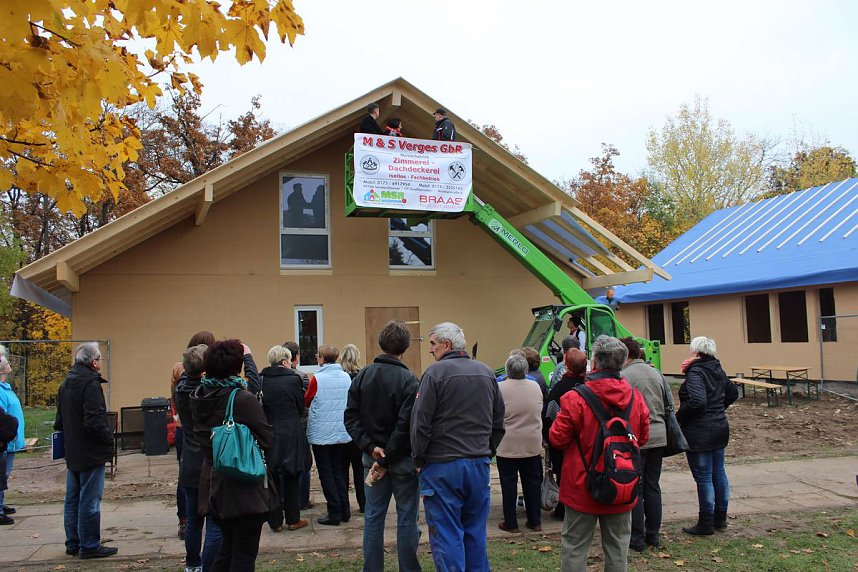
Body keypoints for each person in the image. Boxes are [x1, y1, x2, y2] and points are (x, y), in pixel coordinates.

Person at [549, 335, 650, 572]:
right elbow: (642, 438)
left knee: (575, 547)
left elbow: (557, 438)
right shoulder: (636, 398)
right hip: (621, 482)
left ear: (594, 363)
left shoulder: (574, 398)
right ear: (622, 363)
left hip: (580, 484)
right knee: (617, 550)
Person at [410, 322, 505, 572]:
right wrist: (486, 452)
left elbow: (420, 423)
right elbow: (499, 422)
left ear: (447, 345)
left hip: (442, 466)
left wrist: (418, 459)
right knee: (475, 532)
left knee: (446, 534)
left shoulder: (434, 374)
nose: (430, 349)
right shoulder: (486, 372)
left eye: (432, 343)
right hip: (477, 464)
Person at [191, 340, 278, 571]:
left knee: (227, 548)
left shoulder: (199, 395)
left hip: (214, 483)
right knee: (244, 554)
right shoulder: (241, 399)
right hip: (243, 484)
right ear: (237, 368)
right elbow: (267, 438)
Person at [344, 320, 421, 572]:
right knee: (407, 517)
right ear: (406, 347)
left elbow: (351, 417)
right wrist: (377, 451)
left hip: (376, 458)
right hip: (396, 460)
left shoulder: (362, 375)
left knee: (373, 517)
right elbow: (406, 427)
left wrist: (372, 449)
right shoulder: (409, 380)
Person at [54, 342, 118, 559]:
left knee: (72, 498)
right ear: (94, 362)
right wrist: (108, 440)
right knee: (90, 500)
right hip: (90, 451)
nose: (101, 362)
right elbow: (94, 420)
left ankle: (73, 542)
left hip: (73, 450)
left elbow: (59, 420)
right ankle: (89, 545)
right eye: (99, 359)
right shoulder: (90, 384)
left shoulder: (66, 383)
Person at [677, 336, 738, 536]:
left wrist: (679, 418)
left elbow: (697, 401)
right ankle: (720, 518)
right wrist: (719, 409)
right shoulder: (716, 368)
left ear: (695, 352)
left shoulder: (696, 372)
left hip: (700, 431)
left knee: (704, 477)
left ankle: (706, 522)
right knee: (719, 472)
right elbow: (732, 393)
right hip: (719, 427)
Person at [173, 344, 222, 572]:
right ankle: (208, 567)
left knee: (193, 520)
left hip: (189, 462)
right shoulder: (207, 393)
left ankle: (192, 565)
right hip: (208, 461)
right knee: (213, 522)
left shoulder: (180, 390)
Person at [620, 337, 667, 551]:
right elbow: (669, 405)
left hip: (636, 437)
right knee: (652, 486)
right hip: (659, 435)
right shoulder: (656, 373)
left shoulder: (624, 376)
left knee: (636, 489)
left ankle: (636, 539)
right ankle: (653, 535)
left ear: (625, 355)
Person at [259, 345, 309, 532]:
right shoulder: (293, 379)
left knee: (272, 476)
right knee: (292, 474)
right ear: (284, 361)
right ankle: (293, 518)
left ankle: (275, 520)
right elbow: (300, 405)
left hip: (270, 431)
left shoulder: (261, 379)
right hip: (291, 431)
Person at [171, 331, 214, 541]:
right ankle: (194, 514)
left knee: (186, 473)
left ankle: (185, 518)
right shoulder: (207, 387)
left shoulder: (181, 375)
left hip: (183, 426)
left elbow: (175, 392)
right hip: (197, 430)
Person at [304, 345, 353, 526]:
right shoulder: (346, 377)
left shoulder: (317, 378)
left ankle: (334, 511)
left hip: (322, 431)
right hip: (340, 429)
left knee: (326, 472)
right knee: (339, 470)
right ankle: (344, 509)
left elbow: (307, 400)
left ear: (322, 359)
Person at [496, 354, 544, 534]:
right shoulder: (535, 386)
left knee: (508, 484)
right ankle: (535, 520)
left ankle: (511, 522)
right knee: (532, 483)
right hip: (531, 442)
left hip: (507, 444)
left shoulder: (499, 387)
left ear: (508, 370)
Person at [543, 348, 588, 521]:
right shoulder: (588, 386)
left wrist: (548, 437)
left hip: (563, 442)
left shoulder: (559, 388)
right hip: (584, 440)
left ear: (566, 365)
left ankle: (564, 508)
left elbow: (549, 415)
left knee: (563, 475)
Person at [338, 344, 366, 514]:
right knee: (360, 470)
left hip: (341, 428)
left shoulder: (339, 377)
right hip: (359, 429)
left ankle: (344, 506)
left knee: (341, 470)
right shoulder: (363, 376)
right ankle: (364, 504)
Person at [0, 350, 24, 526]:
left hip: (11, 440)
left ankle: (1, 503)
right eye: (7, 362)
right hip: (4, 441)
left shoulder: (5, 387)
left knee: (5, 475)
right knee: (2, 474)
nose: (10, 364)